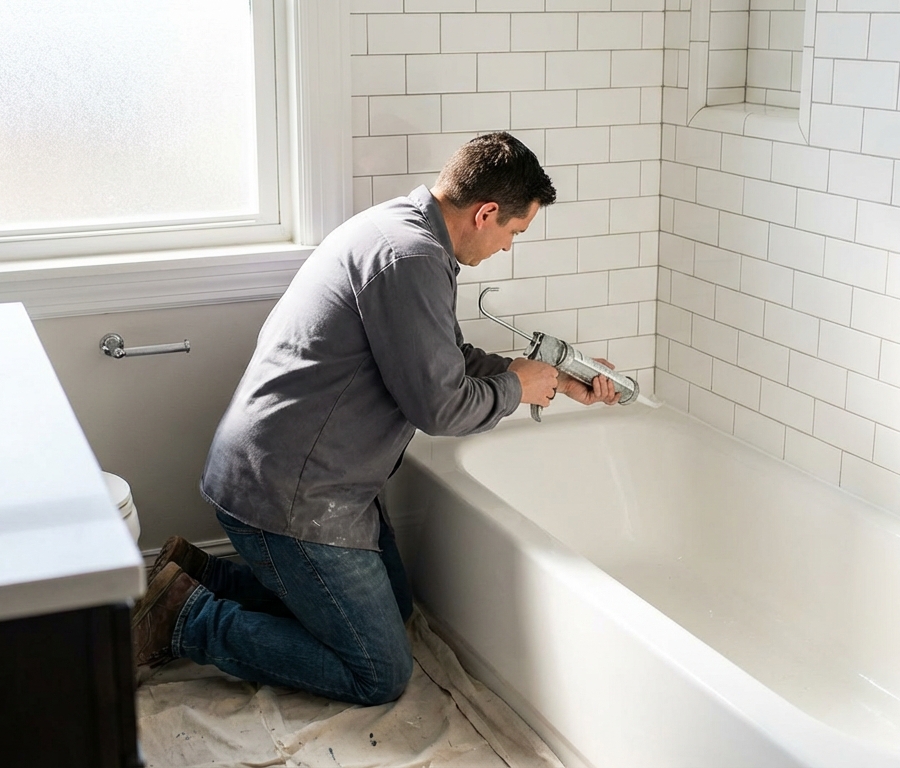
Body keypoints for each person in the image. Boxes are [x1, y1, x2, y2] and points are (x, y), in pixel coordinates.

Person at [132, 132, 622, 705]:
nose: (509, 247)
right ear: (486, 212)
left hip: (292, 473)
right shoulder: (411, 258)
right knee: (379, 671)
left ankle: (199, 575)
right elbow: (440, 407)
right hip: (294, 495)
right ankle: (184, 620)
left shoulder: (401, 230)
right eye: (514, 233)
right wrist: (517, 388)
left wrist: (554, 378)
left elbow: (444, 359)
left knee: (396, 607)